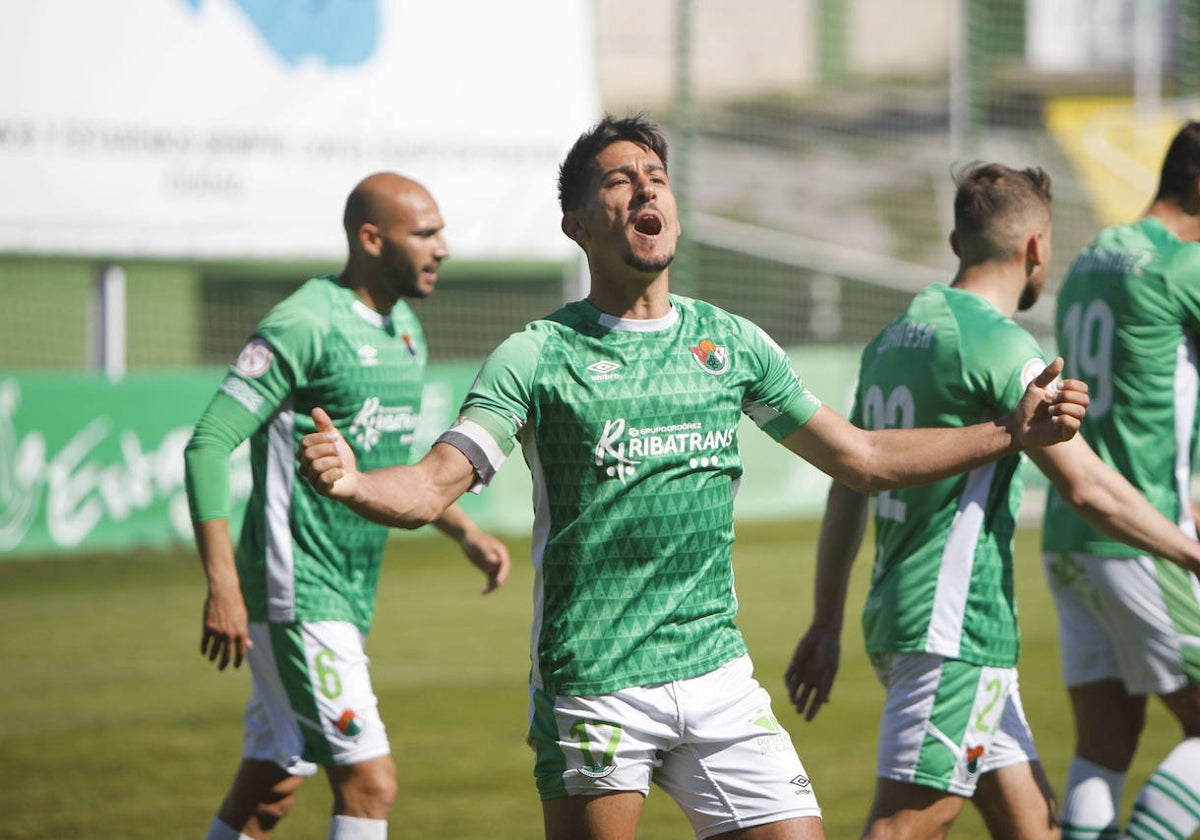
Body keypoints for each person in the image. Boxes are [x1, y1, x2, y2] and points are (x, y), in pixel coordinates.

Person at [297, 116, 1089, 840]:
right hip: (597, 683)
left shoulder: (731, 343)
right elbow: (435, 483)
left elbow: (865, 460)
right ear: (576, 225)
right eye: (618, 179)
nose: (645, 187)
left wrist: (1011, 431)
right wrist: (357, 484)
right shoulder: (538, 354)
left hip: (716, 677)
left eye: (657, 176)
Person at [783, 162, 1200, 840]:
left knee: (1034, 824)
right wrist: (1190, 551)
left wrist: (826, 621)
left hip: (906, 618)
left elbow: (847, 488)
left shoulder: (893, 340)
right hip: (954, 626)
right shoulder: (1003, 346)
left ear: (956, 244)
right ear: (1037, 247)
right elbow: (1086, 484)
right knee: (905, 826)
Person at [183, 172, 512, 840]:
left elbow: (386, 460)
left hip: (347, 590)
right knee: (370, 782)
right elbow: (207, 444)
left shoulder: (407, 331)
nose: (442, 247)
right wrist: (223, 584)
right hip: (296, 589)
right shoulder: (303, 322)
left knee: (270, 786)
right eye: (424, 233)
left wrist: (463, 532)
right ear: (370, 238)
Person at [1041, 122, 1200, 840]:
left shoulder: (1094, 255)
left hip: (1071, 534)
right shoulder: (1180, 264)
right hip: (1144, 529)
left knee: (1105, 745)